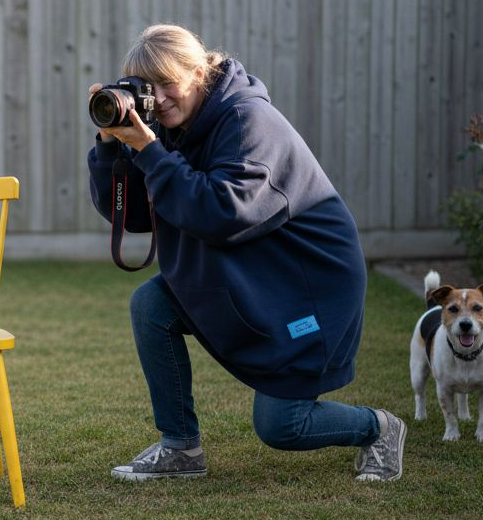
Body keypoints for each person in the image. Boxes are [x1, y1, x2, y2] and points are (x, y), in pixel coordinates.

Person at [86, 24, 405, 483]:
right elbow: (134, 215)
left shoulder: (249, 121)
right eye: (146, 88)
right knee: (152, 305)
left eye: (167, 83)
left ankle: (380, 427)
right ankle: (180, 448)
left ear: (199, 73)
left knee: (283, 425)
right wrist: (111, 147)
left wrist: (151, 153)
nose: (158, 98)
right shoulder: (170, 127)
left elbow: (224, 212)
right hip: (248, 271)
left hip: (306, 282)